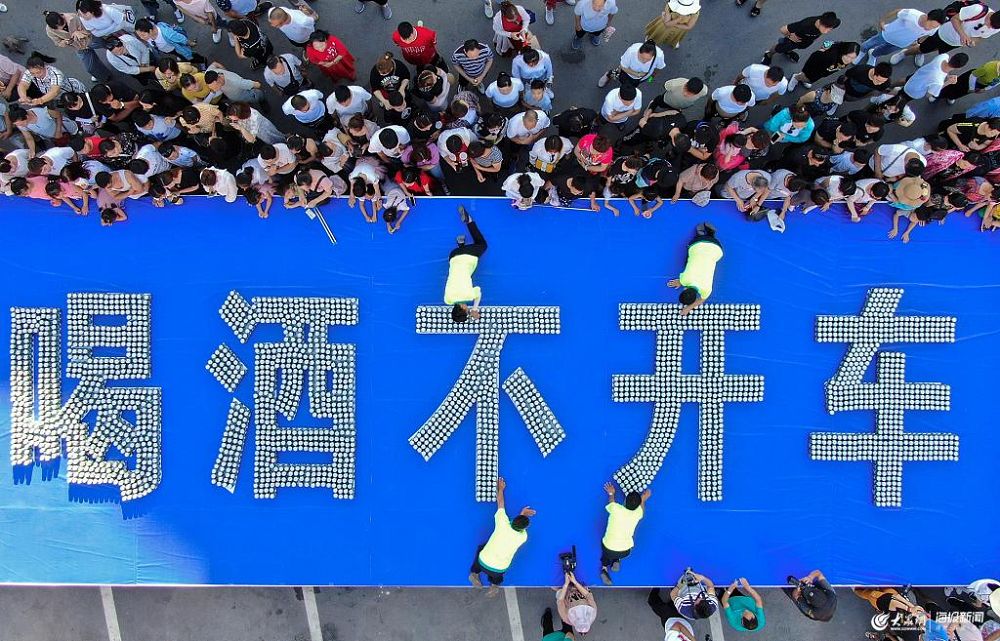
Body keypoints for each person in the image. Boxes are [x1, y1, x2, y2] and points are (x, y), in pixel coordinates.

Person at [468, 475, 534, 595]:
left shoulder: (502, 522)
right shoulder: (523, 537)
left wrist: (501, 489)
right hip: (499, 569)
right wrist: (523, 514)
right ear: (525, 528)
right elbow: (519, 527)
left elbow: (500, 502)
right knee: (498, 575)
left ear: (514, 520)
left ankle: (474, 573)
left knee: (481, 548)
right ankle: (494, 585)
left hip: (483, 562)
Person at [598, 481, 649, 585]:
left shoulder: (615, 509)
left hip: (608, 547)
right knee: (618, 548)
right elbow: (642, 508)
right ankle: (616, 560)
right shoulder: (638, 514)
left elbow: (611, 501)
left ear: (625, 501)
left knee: (606, 552)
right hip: (625, 552)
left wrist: (611, 493)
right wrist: (643, 499)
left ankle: (604, 568)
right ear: (638, 505)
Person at [667, 222, 723, 316]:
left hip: (717, 248)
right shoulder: (684, 280)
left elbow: (702, 299)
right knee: (688, 259)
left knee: (703, 255)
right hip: (699, 243)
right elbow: (700, 299)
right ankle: (702, 235)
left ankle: (710, 234)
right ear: (684, 289)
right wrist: (680, 282)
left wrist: (688, 308)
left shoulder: (706, 290)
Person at [858, 8, 945, 65]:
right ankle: (862, 51)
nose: (930, 28)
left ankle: (873, 55)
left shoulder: (934, 28)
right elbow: (897, 11)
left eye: (934, 27)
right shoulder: (911, 15)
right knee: (870, 43)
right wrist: (882, 21)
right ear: (927, 17)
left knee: (884, 51)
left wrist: (918, 41)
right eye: (931, 25)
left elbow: (927, 35)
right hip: (888, 34)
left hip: (900, 43)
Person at [762, 11, 841, 65]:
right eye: (825, 28)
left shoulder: (834, 22)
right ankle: (768, 54)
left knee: (793, 47)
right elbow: (783, 29)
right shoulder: (805, 24)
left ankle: (788, 51)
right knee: (779, 48)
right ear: (820, 22)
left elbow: (838, 22)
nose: (826, 31)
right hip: (793, 40)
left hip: (805, 41)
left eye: (830, 29)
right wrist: (789, 36)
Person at [787, 41, 860, 91]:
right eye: (848, 56)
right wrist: (807, 73)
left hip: (823, 71)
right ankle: (796, 77)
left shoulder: (843, 59)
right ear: (843, 51)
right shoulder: (830, 56)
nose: (849, 60)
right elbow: (814, 59)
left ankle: (804, 79)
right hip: (815, 67)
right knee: (807, 77)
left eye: (853, 58)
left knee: (810, 80)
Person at [901, 52, 968, 103]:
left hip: (917, 75)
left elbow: (942, 69)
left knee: (903, 81)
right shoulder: (939, 82)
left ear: (952, 57)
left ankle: (894, 86)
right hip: (915, 92)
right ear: (959, 68)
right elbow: (929, 95)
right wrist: (948, 82)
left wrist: (947, 75)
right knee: (902, 99)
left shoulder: (943, 56)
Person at [597, 40, 665, 89]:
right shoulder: (632, 51)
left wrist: (651, 78)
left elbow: (658, 68)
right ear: (638, 52)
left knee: (630, 86)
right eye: (642, 58)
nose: (644, 61)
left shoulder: (659, 56)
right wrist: (637, 74)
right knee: (618, 75)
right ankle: (608, 75)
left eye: (648, 59)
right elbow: (623, 66)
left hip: (641, 78)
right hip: (626, 72)